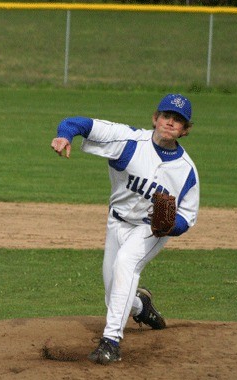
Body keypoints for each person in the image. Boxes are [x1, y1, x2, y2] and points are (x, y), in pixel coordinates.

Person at [51, 93, 200, 364]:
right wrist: (65, 135)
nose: (170, 123)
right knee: (114, 294)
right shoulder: (128, 141)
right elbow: (79, 123)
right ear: (155, 118)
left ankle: (111, 342)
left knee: (125, 266)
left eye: (177, 121)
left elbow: (187, 218)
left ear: (185, 130)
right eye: (166, 116)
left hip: (149, 231)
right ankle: (141, 307)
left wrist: (170, 226)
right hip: (116, 222)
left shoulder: (187, 171)